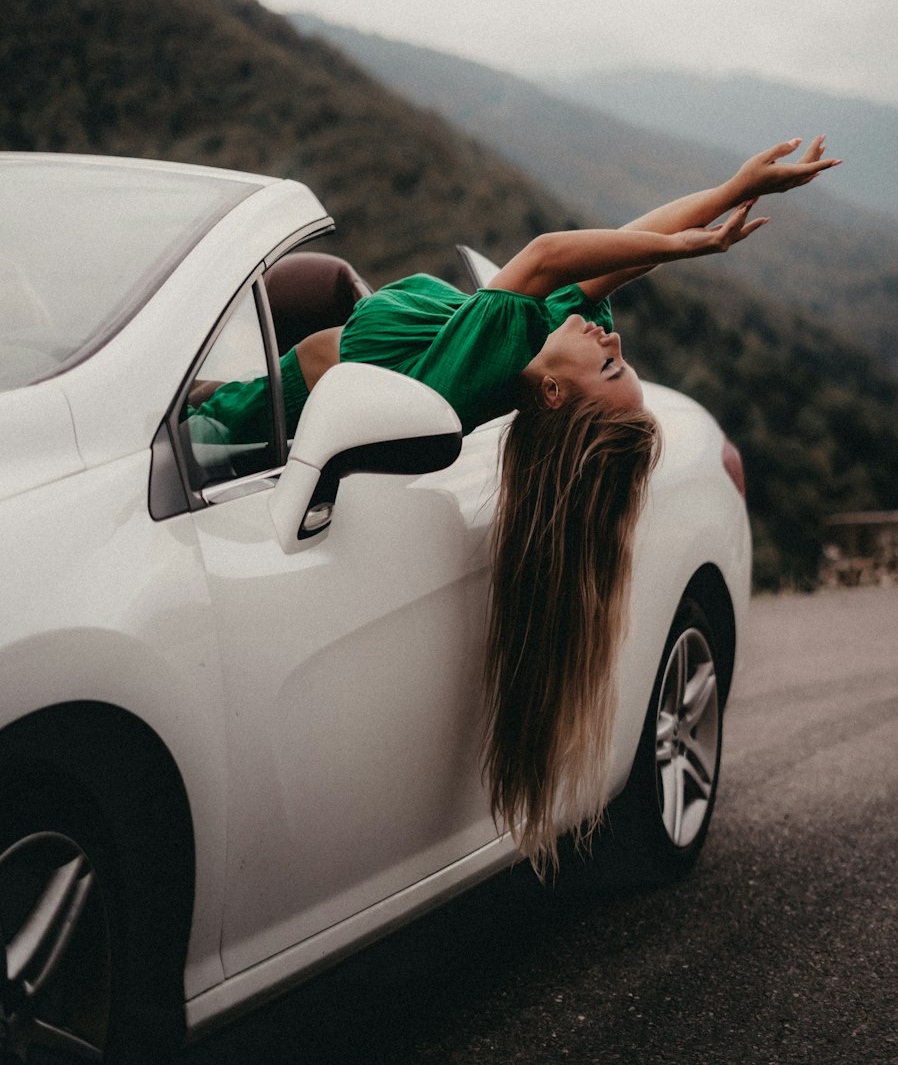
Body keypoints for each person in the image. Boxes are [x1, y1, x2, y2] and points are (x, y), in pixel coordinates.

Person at [195, 136, 840, 867]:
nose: (610, 335)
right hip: (236, 395)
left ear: (557, 393)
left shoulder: (486, 362)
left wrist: (691, 248)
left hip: (224, 431)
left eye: (609, 361)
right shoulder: (528, 341)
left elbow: (545, 253)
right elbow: (625, 258)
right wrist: (730, 191)